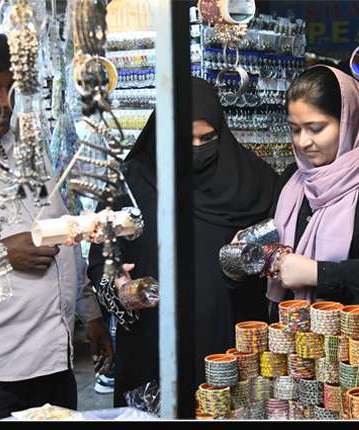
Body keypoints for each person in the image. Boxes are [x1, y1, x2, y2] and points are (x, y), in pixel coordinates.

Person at [90, 76, 276, 405]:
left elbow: (276, 261)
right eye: (184, 139)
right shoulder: (131, 181)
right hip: (154, 342)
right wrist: (118, 283)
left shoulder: (255, 181)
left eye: (208, 138)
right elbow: (101, 260)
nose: (197, 148)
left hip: (229, 344)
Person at [0, 33, 111, 417]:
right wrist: (4, 253)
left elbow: (61, 231)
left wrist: (91, 314)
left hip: (56, 361)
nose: (3, 105)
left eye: (8, 90)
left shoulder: (29, 146)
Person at [257, 65, 359, 312]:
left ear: (349, 122)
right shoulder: (293, 177)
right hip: (291, 341)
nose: (303, 142)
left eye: (316, 128)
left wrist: (319, 274)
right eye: (295, 129)